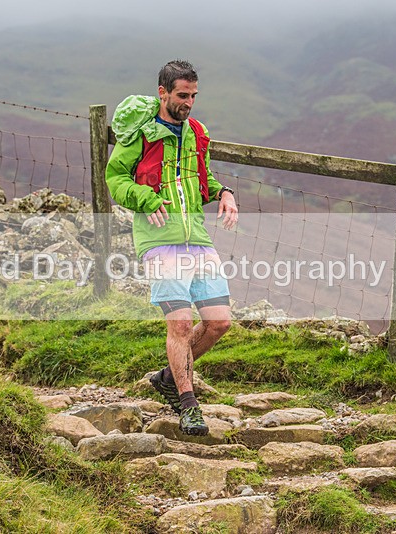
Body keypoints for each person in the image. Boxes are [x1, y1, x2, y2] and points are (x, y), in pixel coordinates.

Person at [105, 60, 238, 436]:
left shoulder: (197, 131)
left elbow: (203, 177)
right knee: (179, 324)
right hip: (158, 240)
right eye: (182, 95)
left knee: (219, 322)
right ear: (162, 92)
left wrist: (224, 193)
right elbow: (115, 178)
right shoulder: (142, 134)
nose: (189, 103)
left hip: (196, 236)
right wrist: (145, 198)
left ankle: (168, 377)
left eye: (194, 96)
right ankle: (188, 403)